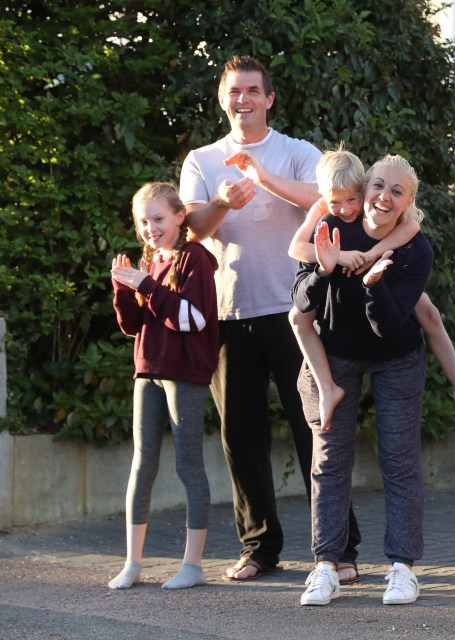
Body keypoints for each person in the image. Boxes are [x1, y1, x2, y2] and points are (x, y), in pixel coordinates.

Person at [179, 54, 361, 583]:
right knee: (242, 436)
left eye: (253, 91)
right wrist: (221, 202)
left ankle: (339, 548)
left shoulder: (298, 152)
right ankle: (259, 548)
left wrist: (263, 176)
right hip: (229, 313)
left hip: (296, 312)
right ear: (222, 98)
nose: (244, 100)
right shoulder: (203, 159)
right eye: (235, 91)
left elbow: (328, 201)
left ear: (269, 98)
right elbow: (192, 228)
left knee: (316, 433)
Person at [292, 155, 432, 607]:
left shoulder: (415, 248)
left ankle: (403, 568)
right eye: (378, 185)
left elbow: (389, 326)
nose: (383, 197)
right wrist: (324, 268)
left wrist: (373, 282)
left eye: (397, 192)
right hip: (336, 356)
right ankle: (326, 565)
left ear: (409, 202)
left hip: (397, 355)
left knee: (400, 459)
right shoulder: (333, 222)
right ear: (362, 186)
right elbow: (300, 299)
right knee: (330, 459)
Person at [285, 145, 455, 431]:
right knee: (297, 317)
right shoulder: (327, 214)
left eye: (351, 200)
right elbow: (296, 248)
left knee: (429, 313)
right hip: (340, 321)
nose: (345, 209)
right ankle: (326, 386)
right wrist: (336, 259)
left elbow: (412, 227)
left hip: (388, 290)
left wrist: (372, 255)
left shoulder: (404, 225)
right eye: (336, 203)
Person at [108, 182, 218, 591]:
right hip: (147, 370)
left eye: (158, 218)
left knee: (188, 465)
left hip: (184, 374)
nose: (150, 228)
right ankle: (133, 562)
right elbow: (132, 326)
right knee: (143, 464)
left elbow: (192, 320)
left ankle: (192, 565)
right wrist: (125, 290)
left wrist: (145, 286)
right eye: (143, 221)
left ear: (178, 217)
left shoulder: (195, 259)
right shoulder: (152, 261)